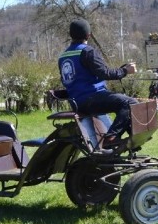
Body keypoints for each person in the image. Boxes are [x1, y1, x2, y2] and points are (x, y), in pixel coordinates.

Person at [58, 18, 137, 152]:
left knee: (123, 102)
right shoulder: (87, 51)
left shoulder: (63, 57)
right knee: (130, 103)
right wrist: (125, 71)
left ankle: (129, 141)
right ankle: (111, 138)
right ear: (88, 35)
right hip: (92, 98)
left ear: (71, 35)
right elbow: (104, 73)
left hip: (77, 102)